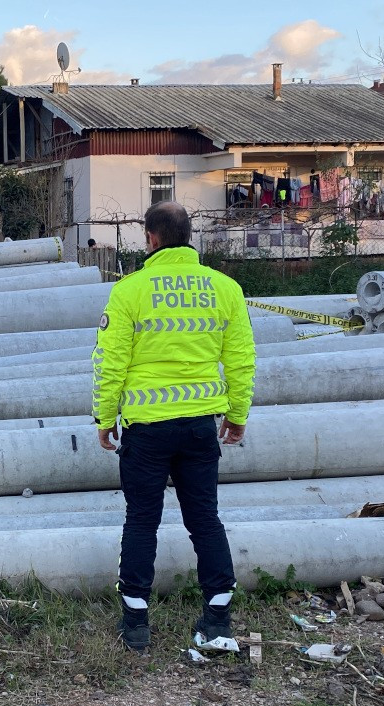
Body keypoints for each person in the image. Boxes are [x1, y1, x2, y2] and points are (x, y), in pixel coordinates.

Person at [91, 201, 257, 653]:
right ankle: (218, 621)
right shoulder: (225, 289)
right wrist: (237, 414)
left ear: (151, 238)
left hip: (147, 430)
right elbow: (241, 359)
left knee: (142, 521)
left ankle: (136, 625)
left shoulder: (129, 291)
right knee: (204, 519)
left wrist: (105, 418)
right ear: (190, 236)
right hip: (201, 427)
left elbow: (111, 363)